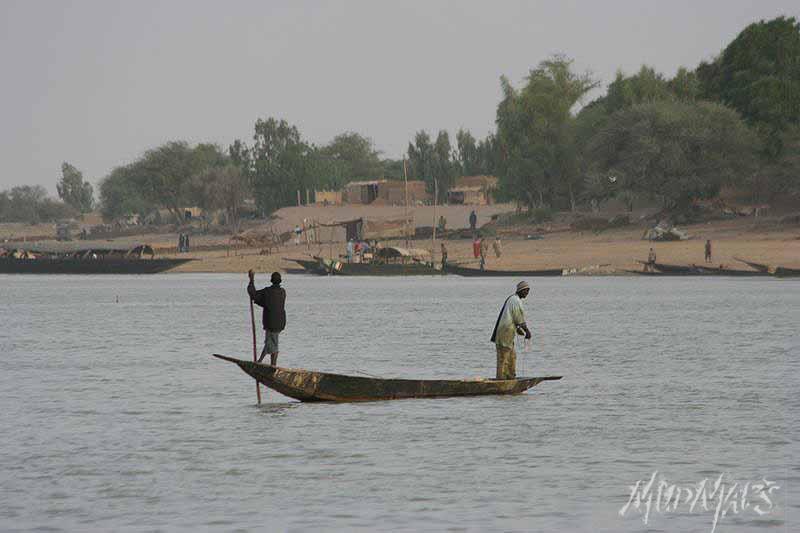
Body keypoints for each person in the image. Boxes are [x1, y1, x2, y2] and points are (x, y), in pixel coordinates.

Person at [490, 281, 532, 379]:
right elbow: (518, 318)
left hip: (507, 333)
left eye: (528, 291)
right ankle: (501, 380)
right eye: (525, 291)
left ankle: (510, 377)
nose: (527, 293)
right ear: (520, 290)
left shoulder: (514, 299)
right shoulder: (515, 300)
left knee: (512, 356)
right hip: (505, 333)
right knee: (503, 358)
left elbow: (512, 317)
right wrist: (527, 331)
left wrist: (517, 329)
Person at [247, 270, 287, 366]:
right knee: (272, 342)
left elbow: (253, 295)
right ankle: (267, 363)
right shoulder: (282, 292)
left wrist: (251, 279)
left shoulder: (267, 292)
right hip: (280, 323)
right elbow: (265, 302)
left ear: (271, 280)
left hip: (271, 323)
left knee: (271, 344)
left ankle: (269, 365)